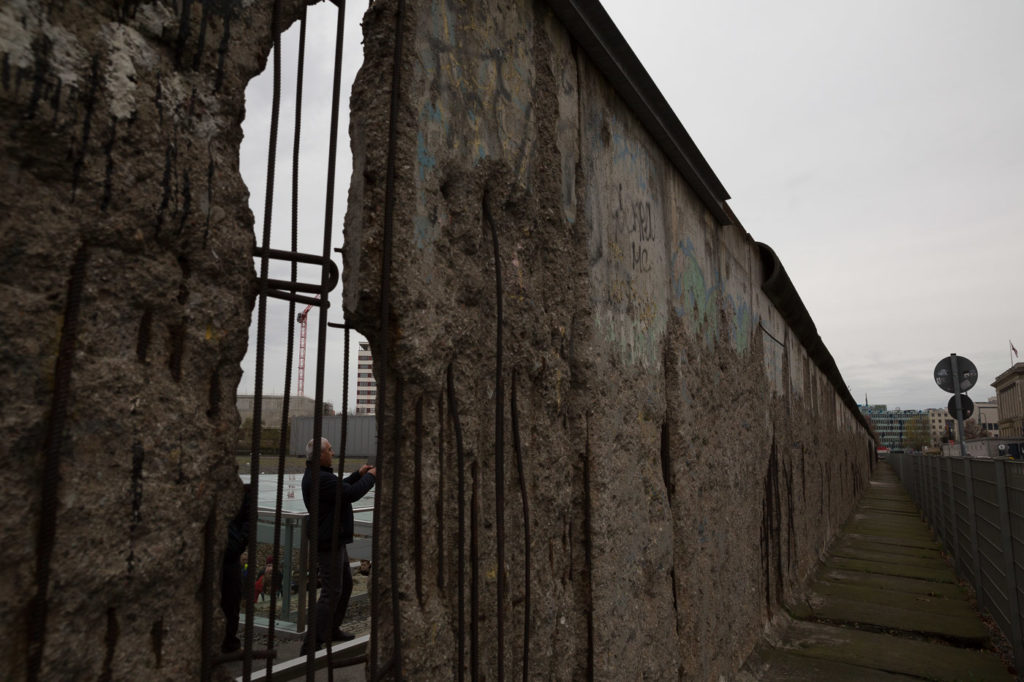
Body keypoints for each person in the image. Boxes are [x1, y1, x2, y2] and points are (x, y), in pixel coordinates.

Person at [301, 437, 376, 654]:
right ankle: (311, 643)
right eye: (330, 449)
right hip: (328, 541)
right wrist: (371, 478)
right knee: (331, 591)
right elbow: (349, 494)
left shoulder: (320, 475)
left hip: (334, 539)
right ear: (320, 455)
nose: (333, 453)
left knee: (344, 586)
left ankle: (331, 629)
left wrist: (358, 475)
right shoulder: (320, 478)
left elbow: (340, 487)